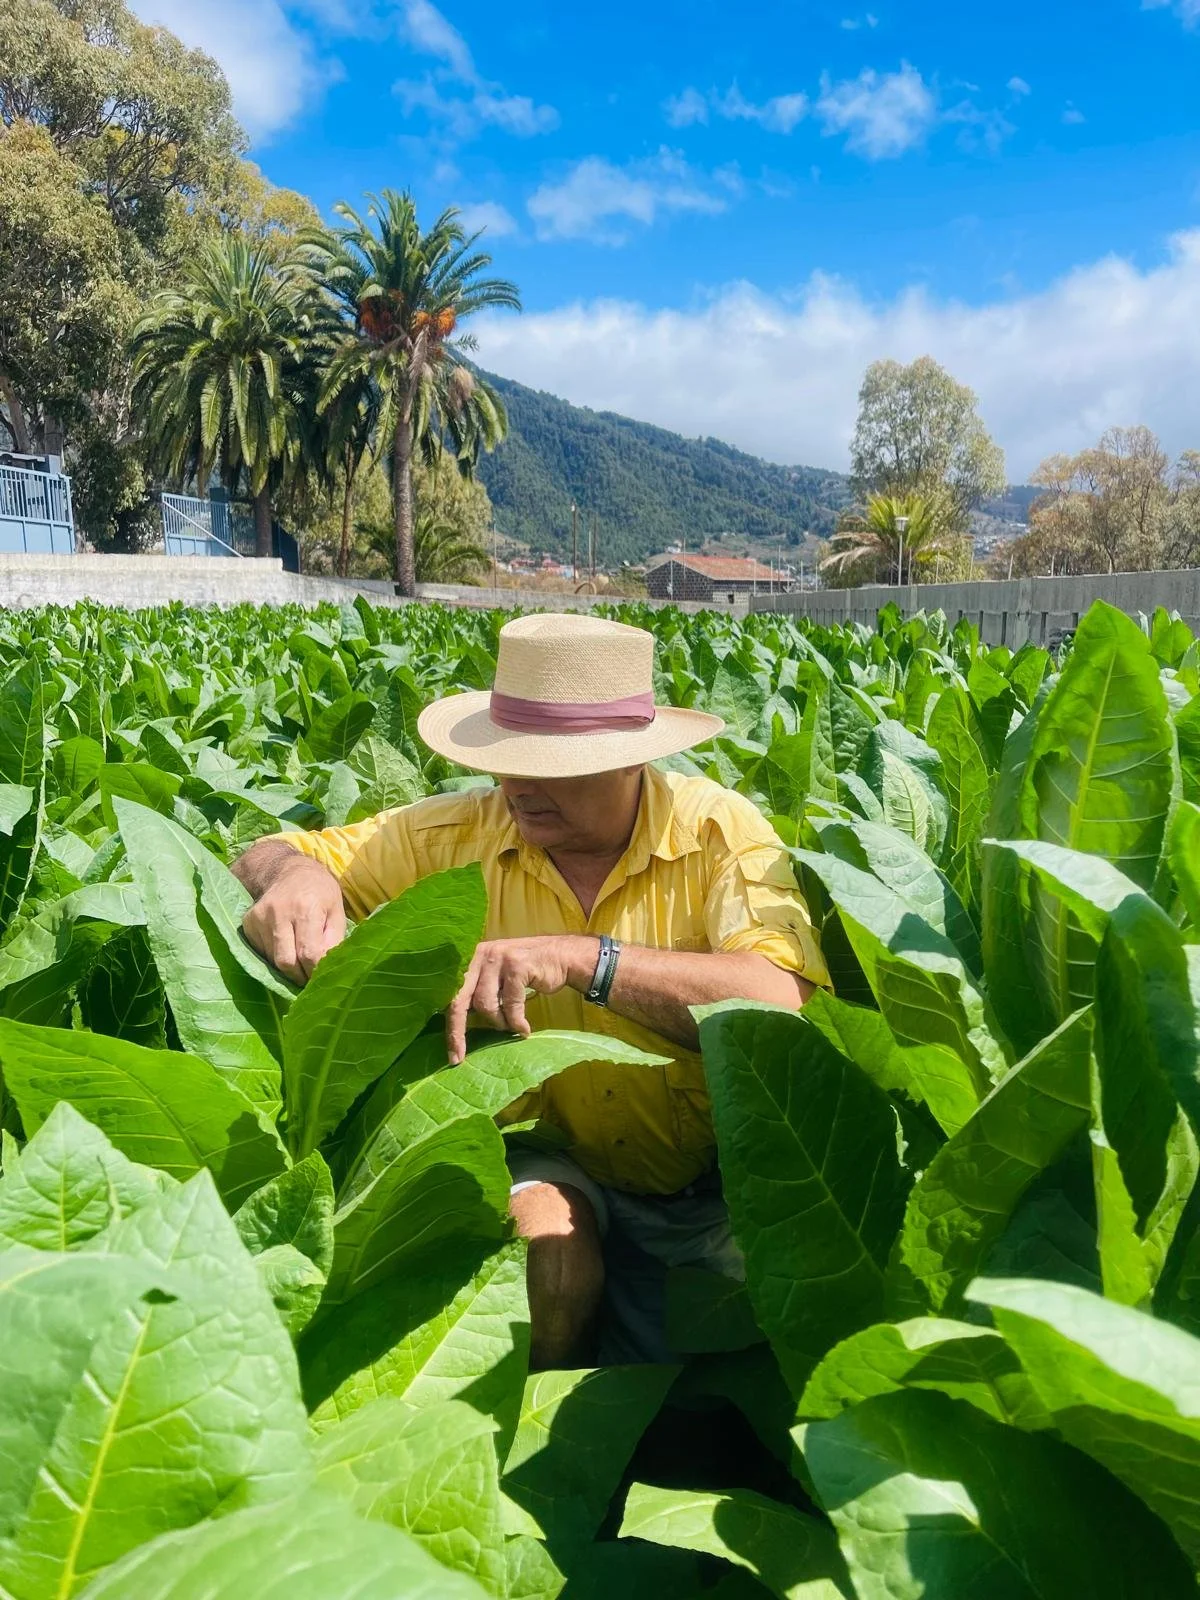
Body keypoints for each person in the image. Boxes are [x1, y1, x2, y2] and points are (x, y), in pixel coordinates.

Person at [234, 613, 828, 1365]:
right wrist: (296, 877)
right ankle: (531, 1454)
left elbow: (779, 1008)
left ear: (630, 764)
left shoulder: (718, 833)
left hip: (721, 1178)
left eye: (548, 763)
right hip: (550, 1154)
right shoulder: (456, 836)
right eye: (506, 758)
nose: (515, 785)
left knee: (818, 1331)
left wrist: (588, 961)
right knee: (547, 1260)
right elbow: (268, 851)